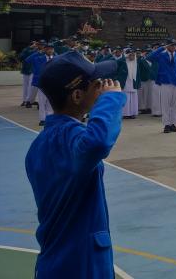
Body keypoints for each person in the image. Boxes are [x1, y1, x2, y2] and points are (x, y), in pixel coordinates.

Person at [25, 52, 124, 278]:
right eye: (96, 85)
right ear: (77, 95)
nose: (102, 88)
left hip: (57, 257)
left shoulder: (40, 144)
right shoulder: (70, 138)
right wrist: (111, 100)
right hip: (81, 261)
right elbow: (97, 143)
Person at [148, 38, 176, 133]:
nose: (173, 47)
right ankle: (166, 124)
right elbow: (149, 57)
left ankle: (173, 123)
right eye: (171, 45)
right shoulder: (161, 55)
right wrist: (162, 48)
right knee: (165, 104)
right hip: (166, 82)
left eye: (175, 45)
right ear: (167, 46)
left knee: (175, 105)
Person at [26, 41, 56, 125]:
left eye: (51, 49)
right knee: (42, 102)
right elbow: (28, 60)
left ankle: (49, 117)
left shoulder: (56, 58)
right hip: (42, 83)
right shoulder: (38, 58)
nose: (50, 50)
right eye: (48, 49)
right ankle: (43, 119)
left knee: (51, 102)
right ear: (45, 49)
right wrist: (38, 52)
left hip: (53, 83)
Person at [116, 48, 140, 119]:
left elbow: (137, 74)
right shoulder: (122, 61)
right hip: (125, 82)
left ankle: (133, 113)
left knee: (134, 98)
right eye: (130, 55)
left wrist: (138, 83)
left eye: (133, 55)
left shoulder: (135, 62)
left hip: (133, 82)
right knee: (126, 98)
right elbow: (117, 65)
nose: (132, 56)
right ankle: (125, 113)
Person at [20, 40, 38, 107]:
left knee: (32, 87)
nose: (35, 45)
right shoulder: (26, 50)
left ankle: (30, 100)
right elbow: (21, 57)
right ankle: (25, 100)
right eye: (34, 44)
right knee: (26, 86)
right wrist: (30, 48)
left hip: (32, 70)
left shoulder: (37, 51)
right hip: (26, 70)